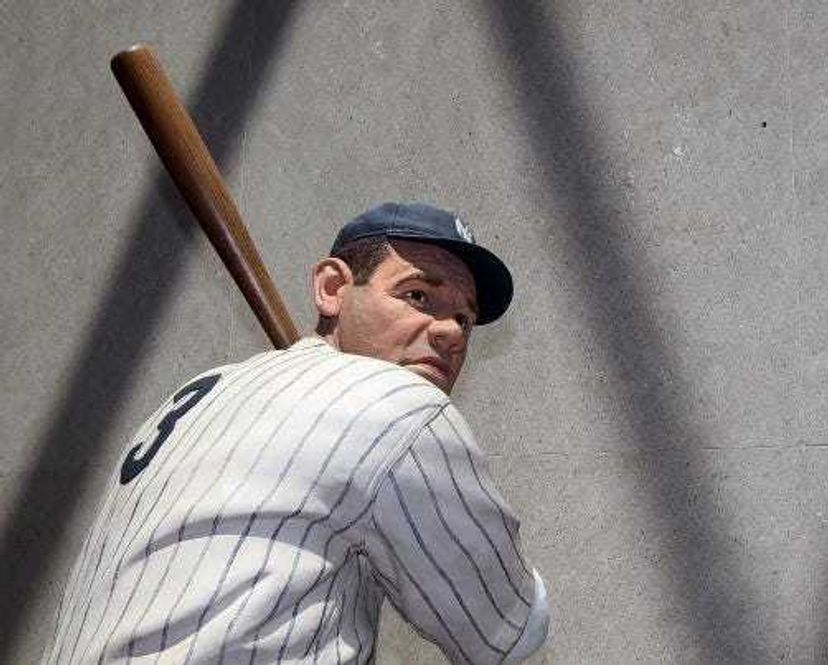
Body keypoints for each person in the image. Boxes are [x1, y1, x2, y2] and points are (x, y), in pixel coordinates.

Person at [45, 203, 549, 665]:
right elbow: (503, 632)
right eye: (418, 295)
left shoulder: (202, 389)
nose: (452, 332)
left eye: (465, 317)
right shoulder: (401, 405)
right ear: (332, 288)